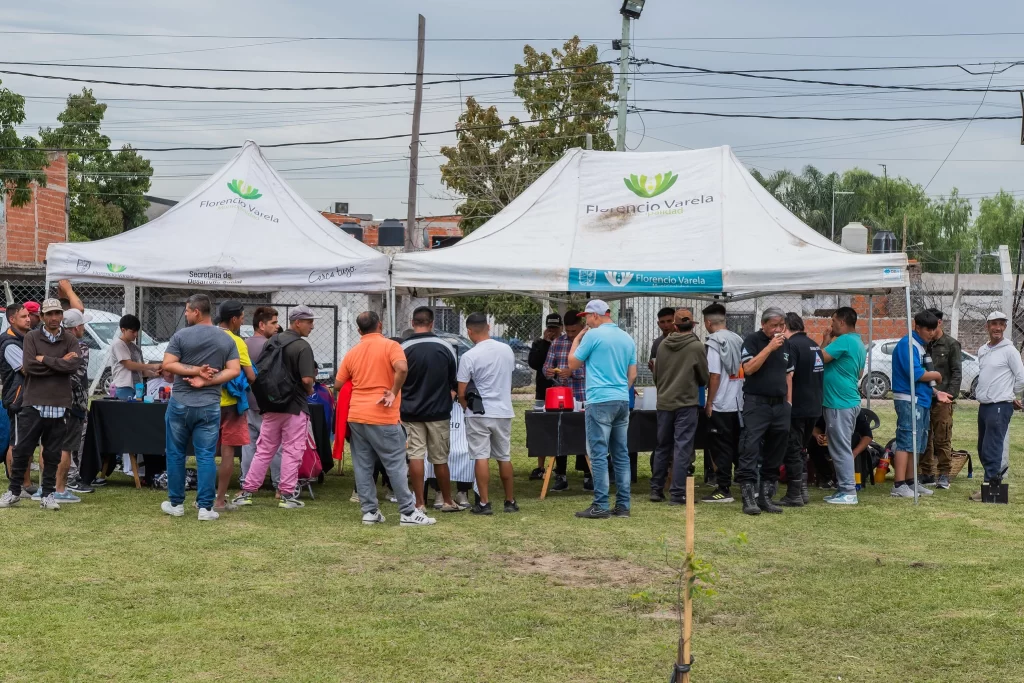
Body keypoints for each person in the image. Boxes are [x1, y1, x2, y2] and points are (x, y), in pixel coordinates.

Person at [336, 311, 435, 526]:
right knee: (395, 464)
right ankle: (408, 512)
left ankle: (370, 512)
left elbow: (338, 384)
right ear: (380, 325)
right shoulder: (391, 346)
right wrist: (393, 391)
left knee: (363, 465)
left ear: (359, 330)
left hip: (357, 415)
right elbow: (402, 368)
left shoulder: (353, 352)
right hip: (383, 415)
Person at [159, 294, 241, 521]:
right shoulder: (226, 338)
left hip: (180, 402)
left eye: (187, 310)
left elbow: (168, 364)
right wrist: (206, 379)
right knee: (205, 456)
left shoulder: (181, 335)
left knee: (176, 454)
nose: (185, 314)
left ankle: (176, 504)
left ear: (196, 311)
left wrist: (196, 372)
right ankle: (205, 508)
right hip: (209, 404)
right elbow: (234, 370)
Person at [235, 306, 318, 509]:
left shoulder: (272, 341)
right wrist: (309, 390)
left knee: (264, 449)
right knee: (292, 450)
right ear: (297, 322)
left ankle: (247, 491)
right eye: (309, 322)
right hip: (294, 406)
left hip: (271, 404)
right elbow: (307, 379)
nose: (312, 326)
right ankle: (287, 494)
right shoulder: (302, 346)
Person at [0, 299, 80, 511]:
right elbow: (29, 367)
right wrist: (60, 362)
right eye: (49, 314)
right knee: (22, 449)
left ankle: (48, 494)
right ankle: (14, 491)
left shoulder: (70, 338)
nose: (54, 318)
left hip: (59, 403)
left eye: (57, 313)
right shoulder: (32, 337)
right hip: (33, 401)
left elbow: (73, 366)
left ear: (61, 315)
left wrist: (44, 359)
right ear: (42, 317)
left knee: (53, 453)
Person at [568, 300, 637, 519]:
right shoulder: (627, 338)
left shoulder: (592, 336)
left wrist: (576, 340)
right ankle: (623, 506)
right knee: (621, 454)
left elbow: (572, 364)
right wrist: (620, 391)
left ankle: (601, 505)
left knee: (598, 454)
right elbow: (633, 374)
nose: (585, 322)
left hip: (599, 400)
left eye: (587, 317)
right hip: (621, 400)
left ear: (596, 315)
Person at [401, 307, 461, 513]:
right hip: (438, 411)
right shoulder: (446, 347)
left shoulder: (403, 348)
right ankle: (447, 501)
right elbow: (453, 379)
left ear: (412, 323)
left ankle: (419, 503)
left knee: (415, 456)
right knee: (440, 458)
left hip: (410, 411)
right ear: (432, 323)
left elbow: (397, 377)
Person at [458, 312, 518, 515]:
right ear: (489, 327)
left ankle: (484, 503)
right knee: (504, 456)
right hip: (503, 410)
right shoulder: (507, 350)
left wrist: (466, 407)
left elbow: (461, 391)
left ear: (469, 331)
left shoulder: (469, 356)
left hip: (479, 412)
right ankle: (510, 501)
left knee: (481, 456)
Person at [737, 308, 794, 515]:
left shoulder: (787, 344)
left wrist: (788, 403)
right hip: (757, 403)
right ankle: (748, 498)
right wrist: (769, 348)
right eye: (773, 325)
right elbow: (749, 369)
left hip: (780, 406)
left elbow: (789, 375)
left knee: (776, 450)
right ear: (763, 324)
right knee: (750, 448)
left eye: (781, 325)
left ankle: (766, 497)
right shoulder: (752, 340)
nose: (778, 329)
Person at [651, 308, 709, 505]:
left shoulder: (662, 345)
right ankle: (677, 493)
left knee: (662, 447)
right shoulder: (696, 346)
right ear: (692, 325)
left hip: (664, 402)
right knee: (682, 447)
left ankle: (656, 489)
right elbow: (704, 377)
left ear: (675, 326)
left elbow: (656, 375)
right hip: (686, 403)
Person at [971, 311, 1024, 501]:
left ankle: (992, 489)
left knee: (991, 448)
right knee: (982, 448)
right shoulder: (983, 350)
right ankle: (991, 484)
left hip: (1000, 405)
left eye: (1001, 324)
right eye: (994, 324)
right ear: (987, 326)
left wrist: (1009, 394)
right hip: (985, 406)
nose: (998, 328)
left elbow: (1021, 378)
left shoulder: (1010, 351)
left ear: (1005, 327)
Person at [890, 310, 943, 499]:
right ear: (917, 327)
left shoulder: (920, 346)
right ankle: (899, 484)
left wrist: (935, 391)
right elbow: (916, 374)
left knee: (917, 442)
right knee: (906, 440)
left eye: (933, 329)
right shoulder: (908, 344)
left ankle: (911, 481)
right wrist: (937, 375)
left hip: (921, 399)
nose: (931, 333)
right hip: (908, 400)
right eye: (928, 329)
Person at [819, 306, 867, 505]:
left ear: (841, 322)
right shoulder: (858, 343)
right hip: (848, 401)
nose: (831, 325)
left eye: (833, 321)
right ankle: (843, 489)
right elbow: (859, 373)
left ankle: (848, 491)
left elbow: (819, 358)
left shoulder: (844, 340)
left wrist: (825, 340)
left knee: (840, 448)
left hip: (840, 403)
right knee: (840, 446)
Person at [541, 309, 592, 492]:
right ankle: (560, 475)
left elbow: (593, 369)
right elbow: (546, 366)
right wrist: (548, 371)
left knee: (585, 435)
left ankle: (588, 475)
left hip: (583, 395)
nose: (570, 335)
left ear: (581, 327)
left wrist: (573, 372)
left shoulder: (590, 342)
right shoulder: (557, 343)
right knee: (560, 434)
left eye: (574, 331)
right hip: (561, 397)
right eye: (568, 331)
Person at [700, 303, 744, 504]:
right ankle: (748, 484)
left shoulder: (715, 342)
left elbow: (715, 375)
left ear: (708, 322)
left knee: (721, 447)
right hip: (739, 402)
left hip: (721, 403)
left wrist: (710, 402)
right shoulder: (738, 339)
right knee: (738, 445)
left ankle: (723, 489)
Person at [213, 300, 255, 512]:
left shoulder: (206, 336)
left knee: (205, 452)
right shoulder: (237, 342)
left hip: (208, 400)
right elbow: (250, 375)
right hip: (231, 405)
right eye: (242, 317)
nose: (243, 321)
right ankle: (220, 500)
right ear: (234, 319)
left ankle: (203, 498)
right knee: (228, 452)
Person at [780, 312, 823, 507]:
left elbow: (788, 376)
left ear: (785, 327)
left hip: (797, 405)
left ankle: (794, 494)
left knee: (793, 449)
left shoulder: (791, 345)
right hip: (814, 405)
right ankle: (801, 491)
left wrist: (786, 403)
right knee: (801, 449)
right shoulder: (814, 345)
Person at [919, 308, 961, 490]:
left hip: (943, 398)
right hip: (925, 396)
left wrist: (949, 395)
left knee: (942, 437)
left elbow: (956, 372)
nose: (929, 330)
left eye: (932, 325)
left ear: (939, 323)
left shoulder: (951, 344)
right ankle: (926, 472)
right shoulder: (922, 344)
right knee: (924, 435)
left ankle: (944, 473)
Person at [240, 306, 281, 492]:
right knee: (275, 445)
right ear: (262, 325)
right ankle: (279, 483)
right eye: (273, 322)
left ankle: (247, 482)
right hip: (269, 403)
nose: (277, 326)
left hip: (247, 400)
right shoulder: (273, 345)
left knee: (249, 445)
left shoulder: (244, 344)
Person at [54, 308, 92, 503]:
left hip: (50, 400)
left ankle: (54, 482)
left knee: (53, 444)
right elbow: (76, 379)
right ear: (77, 327)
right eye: (83, 325)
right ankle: (67, 481)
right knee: (67, 446)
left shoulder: (53, 343)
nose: (84, 328)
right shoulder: (80, 347)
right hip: (71, 403)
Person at [1, 304, 34, 494]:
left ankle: (26, 484)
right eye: (23, 316)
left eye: (28, 315)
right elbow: (27, 370)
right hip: (16, 398)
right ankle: (17, 485)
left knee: (25, 443)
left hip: (25, 397)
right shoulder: (9, 343)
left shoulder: (23, 338)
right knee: (16, 444)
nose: (28, 319)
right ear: (12, 320)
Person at [527, 312, 562, 479]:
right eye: (550, 328)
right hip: (543, 392)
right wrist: (546, 343)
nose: (552, 331)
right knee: (541, 428)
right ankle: (540, 466)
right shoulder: (538, 343)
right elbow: (534, 363)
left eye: (555, 328)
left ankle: (559, 467)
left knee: (560, 428)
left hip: (561, 392)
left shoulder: (566, 343)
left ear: (561, 328)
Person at [110, 314, 158, 399]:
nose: (136, 334)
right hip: (123, 387)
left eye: (137, 331)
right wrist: (152, 366)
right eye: (132, 331)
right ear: (123, 330)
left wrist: (155, 374)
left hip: (138, 388)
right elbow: (129, 365)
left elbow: (142, 371)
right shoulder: (118, 344)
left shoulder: (136, 348)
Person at [648, 306, 677, 373]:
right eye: (662, 322)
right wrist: (652, 367)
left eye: (669, 321)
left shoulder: (686, 339)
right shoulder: (657, 343)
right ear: (658, 324)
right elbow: (654, 365)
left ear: (675, 321)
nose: (666, 325)